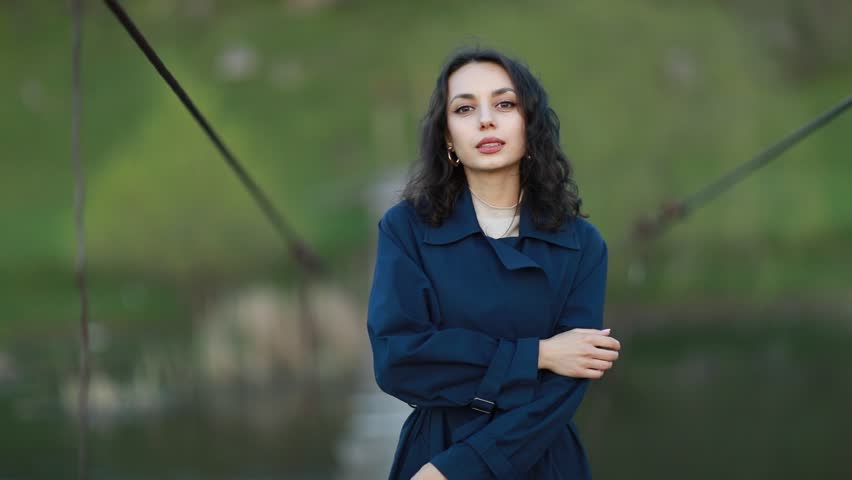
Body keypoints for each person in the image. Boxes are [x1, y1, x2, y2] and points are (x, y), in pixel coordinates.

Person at [366, 47, 621, 480]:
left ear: (530, 124)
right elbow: (399, 360)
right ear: (447, 136)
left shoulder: (583, 244)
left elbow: (565, 386)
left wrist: (459, 468)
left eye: (504, 104)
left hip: (536, 456)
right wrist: (538, 354)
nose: (486, 120)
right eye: (465, 108)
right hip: (436, 445)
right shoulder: (406, 228)